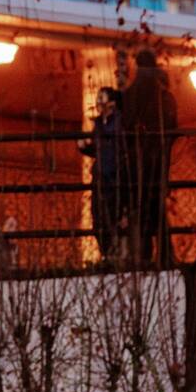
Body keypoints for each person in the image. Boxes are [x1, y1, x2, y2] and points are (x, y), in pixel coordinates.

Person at [122, 49, 179, 266]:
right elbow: (171, 129)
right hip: (155, 160)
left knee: (143, 209)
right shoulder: (163, 97)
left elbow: (127, 127)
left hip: (139, 161)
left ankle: (146, 255)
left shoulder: (134, 95)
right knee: (155, 209)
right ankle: (162, 254)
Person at [81, 86, 128, 263]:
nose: (99, 102)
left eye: (103, 98)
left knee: (113, 215)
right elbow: (99, 150)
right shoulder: (99, 124)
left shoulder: (118, 123)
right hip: (101, 175)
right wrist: (84, 146)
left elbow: (113, 147)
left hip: (114, 175)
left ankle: (114, 253)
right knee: (98, 217)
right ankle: (106, 253)